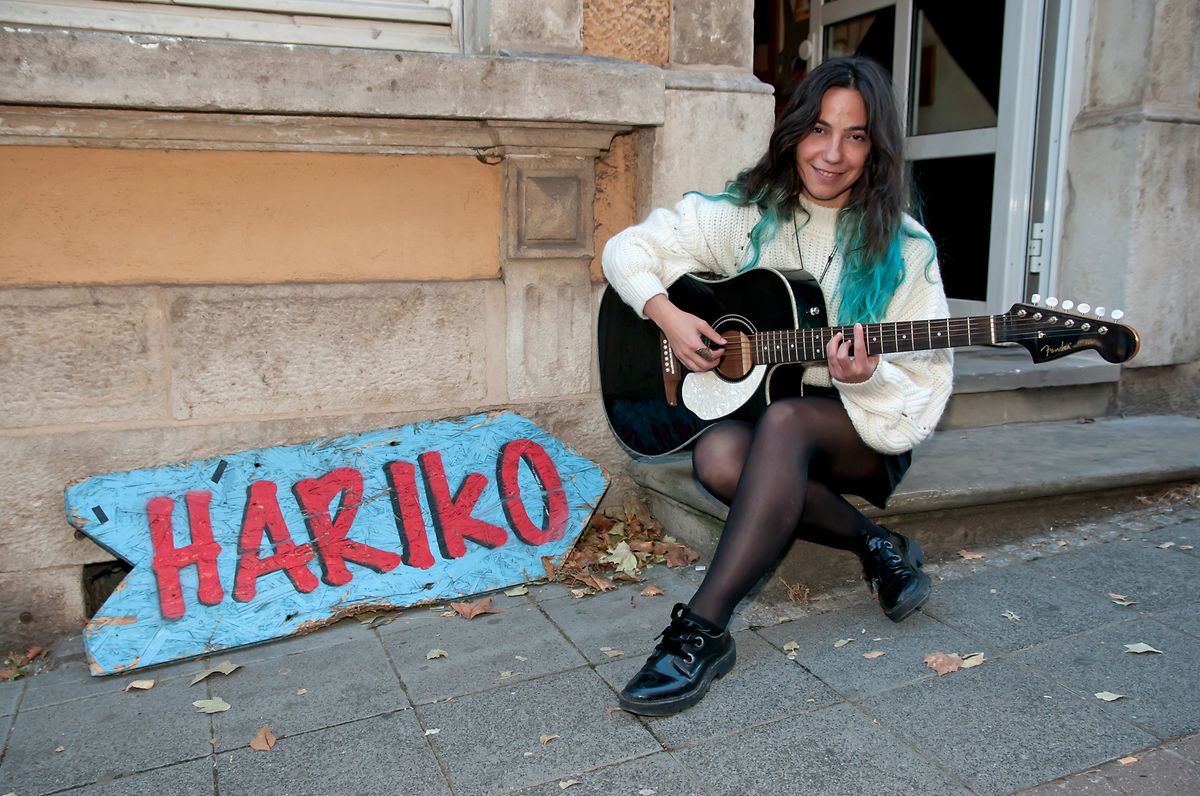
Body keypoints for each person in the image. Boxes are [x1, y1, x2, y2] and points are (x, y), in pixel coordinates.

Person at [600, 56, 954, 717]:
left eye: (856, 135)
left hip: (859, 425)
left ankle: (703, 630)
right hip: (774, 409)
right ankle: (876, 544)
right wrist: (671, 318)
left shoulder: (906, 249)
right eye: (820, 129)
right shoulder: (744, 215)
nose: (831, 153)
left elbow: (926, 386)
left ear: (878, 148)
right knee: (717, 457)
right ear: (795, 130)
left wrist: (870, 375)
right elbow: (625, 251)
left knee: (790, 421)